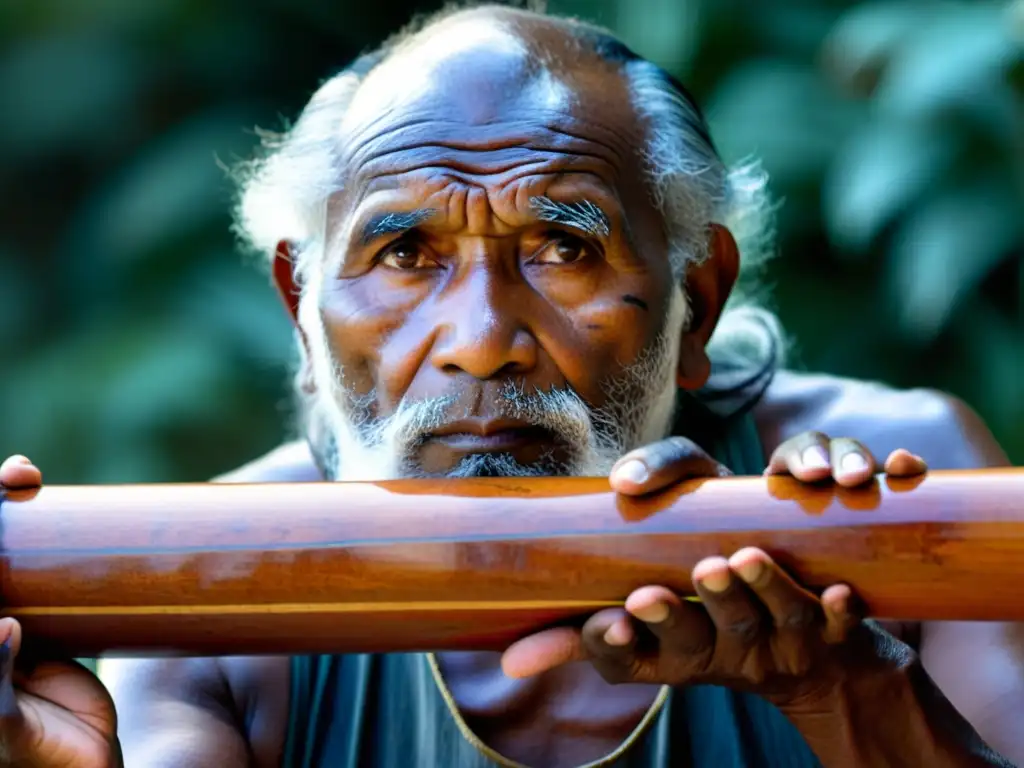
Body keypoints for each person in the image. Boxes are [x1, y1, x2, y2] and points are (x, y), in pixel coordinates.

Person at [0, 4, 1020, 767]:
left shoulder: (905, 494)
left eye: (564, 246)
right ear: (300, 310)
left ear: (694, 301)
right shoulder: (208, 593)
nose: (484, 344)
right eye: (405, 253)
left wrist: (844, 687)